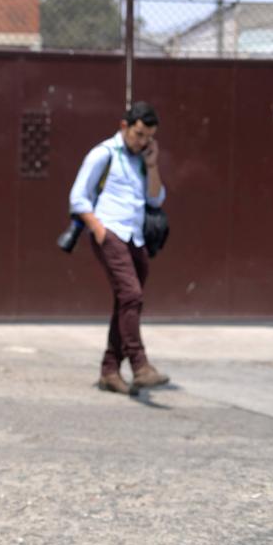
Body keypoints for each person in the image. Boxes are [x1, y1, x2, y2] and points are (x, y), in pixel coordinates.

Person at [69, 101, 170, 395]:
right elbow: (77, 197)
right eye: (139, 134)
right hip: (110, 232)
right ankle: (140, 365)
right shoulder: (103, 154)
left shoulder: (142, 160)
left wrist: (152, 165)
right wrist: (99, 230)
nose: (143, 142)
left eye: (149, 137)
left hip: (135, 238)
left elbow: (155, 199)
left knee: (126, 302)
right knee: (132, 295)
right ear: (124, 126)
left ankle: (109, 370)